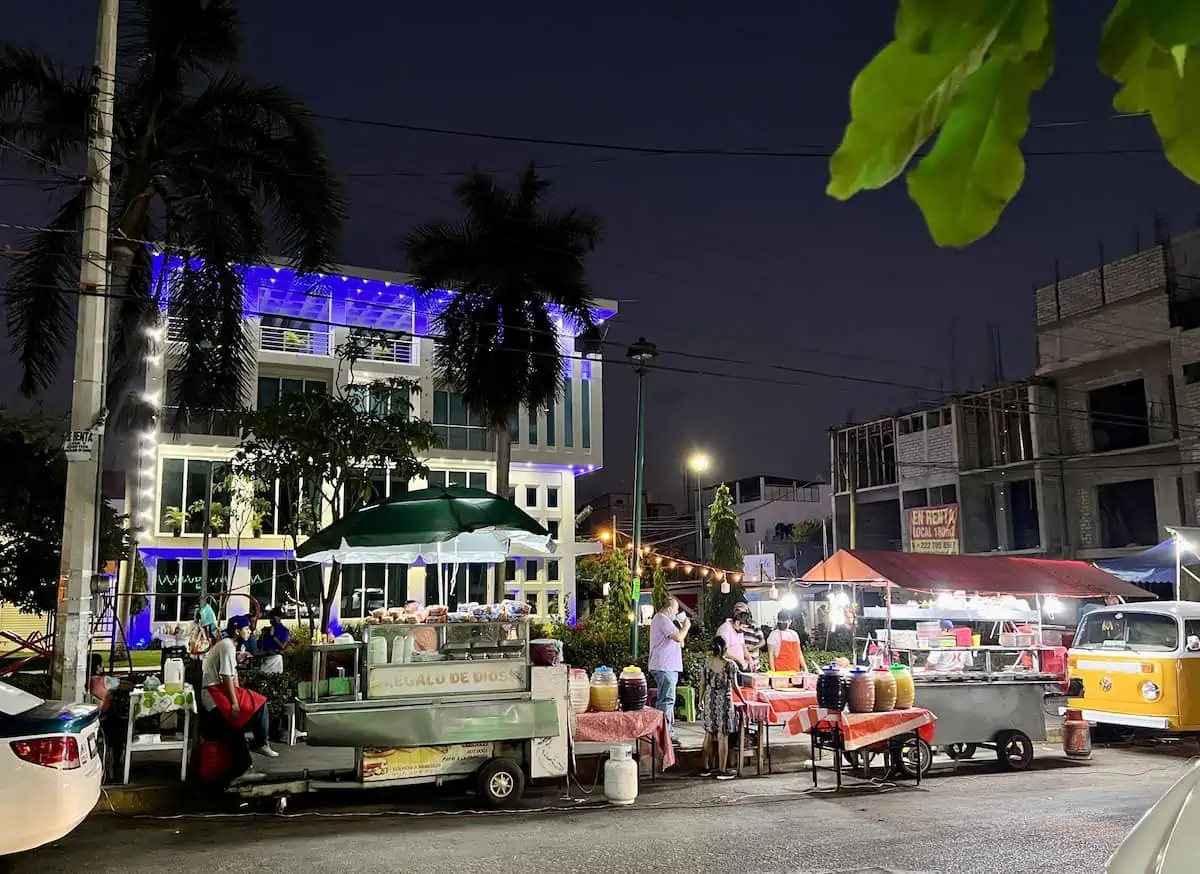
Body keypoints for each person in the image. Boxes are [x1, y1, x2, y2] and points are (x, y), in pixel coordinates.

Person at [201, 615, 278, 783]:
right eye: (246, 628)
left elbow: (232, 675)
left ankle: (257, 746)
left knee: (257, 703)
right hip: (214, 694)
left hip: (218, 690)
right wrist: (235, 703)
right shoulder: (227, 646)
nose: (250, 631)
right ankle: (248, 761)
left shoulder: (229, 646)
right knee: (234, 725)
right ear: (237, 631)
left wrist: (239, 695)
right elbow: (227, 676)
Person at [699, 635, 746, 781]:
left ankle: (705, 768)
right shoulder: (730, 665)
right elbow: (734, 686)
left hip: (710, 700)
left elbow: (702, 683)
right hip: (724, 702)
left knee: (708, 734)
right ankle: (722, 770)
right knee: (722, 735)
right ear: (725, 649)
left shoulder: (707, 663)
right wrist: (743, 700)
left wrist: (700, 700)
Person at [648, 596, 690, 745]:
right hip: (665, 666)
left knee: (666, 700)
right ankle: (666, 734)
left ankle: (664, 731)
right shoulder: (662, 619)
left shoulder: (665, 621)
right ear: (670, 608)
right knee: (667, 700)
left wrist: (680, 628)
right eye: (676, 610)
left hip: (667, 666)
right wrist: (686, 625)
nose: (677, 613)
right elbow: (679, 637)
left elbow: (681, 641)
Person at [257, 608, 291, 674]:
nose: (271, 619)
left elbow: (282, 646)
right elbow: (259, 646)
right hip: (264, 657)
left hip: (275, 657)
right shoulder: (267, 630)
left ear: (279, 617)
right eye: (270, 617)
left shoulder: (284, 630)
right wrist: (262, 635)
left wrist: (272, 636)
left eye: (273, 617)